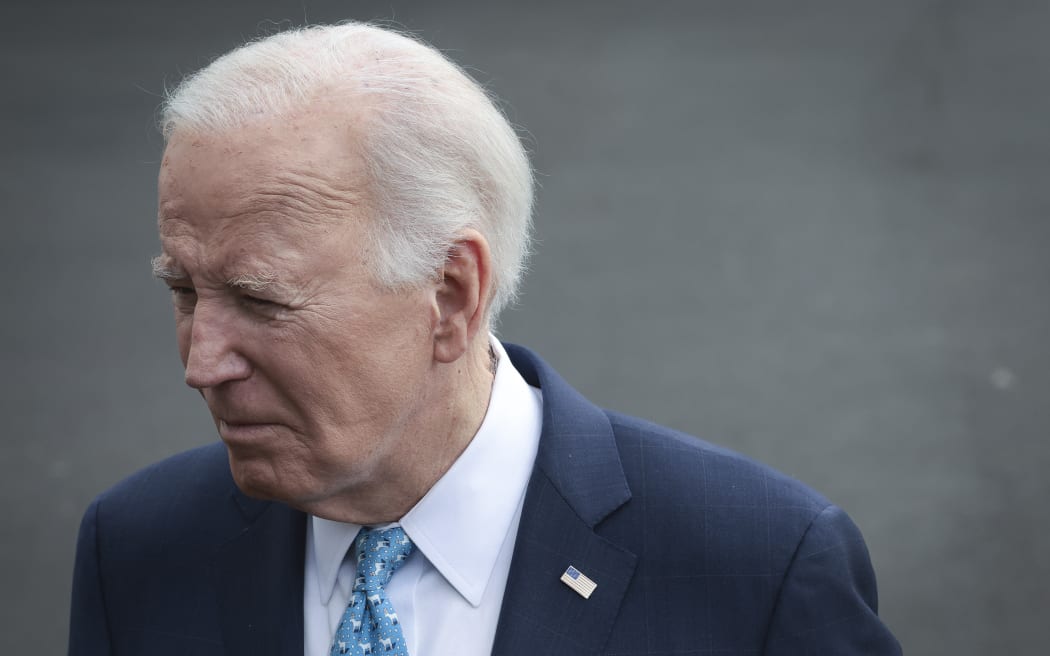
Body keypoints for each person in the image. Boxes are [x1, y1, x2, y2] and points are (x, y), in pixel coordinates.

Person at [68, 22, 901, 656]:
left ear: (452, 293)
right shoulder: (138, 550)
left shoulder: (757, 567)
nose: (201, 362)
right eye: (184, 290)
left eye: (260, 299)